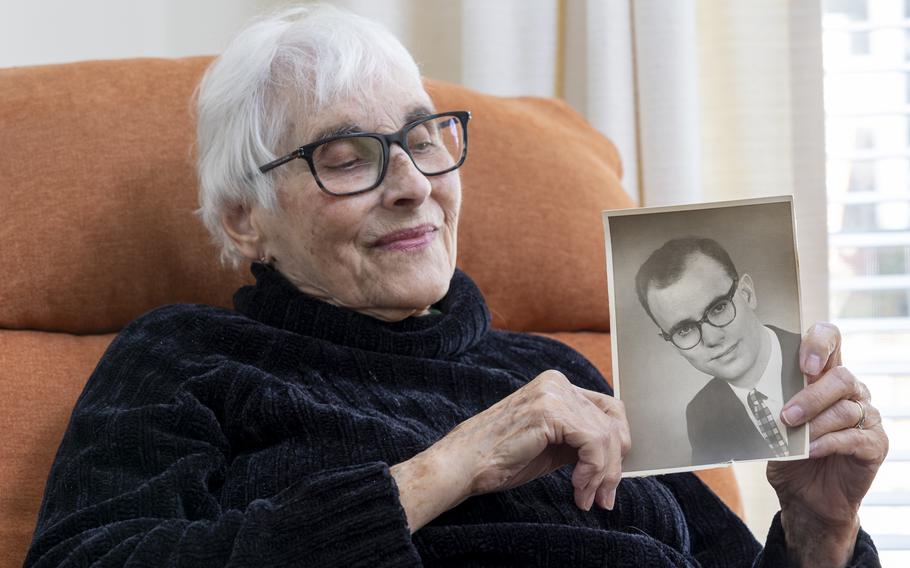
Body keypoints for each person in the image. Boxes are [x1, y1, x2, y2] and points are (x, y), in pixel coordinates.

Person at [25, 5, 887, 567]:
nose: (412, 185)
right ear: (245, 217)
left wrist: (821, 528)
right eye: (345, 157)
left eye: (423, 138)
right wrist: (452, 466)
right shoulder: (185, 359)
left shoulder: (563, 374)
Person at [635, 237, 807, 465]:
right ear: (672, 344)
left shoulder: (814, 358)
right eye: (685, 329)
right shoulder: (700, 413)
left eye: (718, 308)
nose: (712, 338)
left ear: (747, 294)